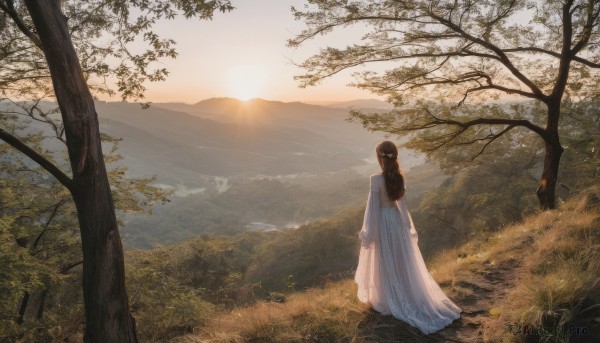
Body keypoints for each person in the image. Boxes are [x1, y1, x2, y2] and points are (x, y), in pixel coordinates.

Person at [354, 141, 462, 335]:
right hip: (396, 222)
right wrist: (406, 227)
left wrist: (369, 232)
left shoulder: (375, 179)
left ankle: (390, 297)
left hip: (383, 222)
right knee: (401, 260)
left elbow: (372, 209)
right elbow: (402, 207)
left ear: (380, 157)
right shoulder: (399, 177)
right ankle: (404, 293)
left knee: (386, 260)